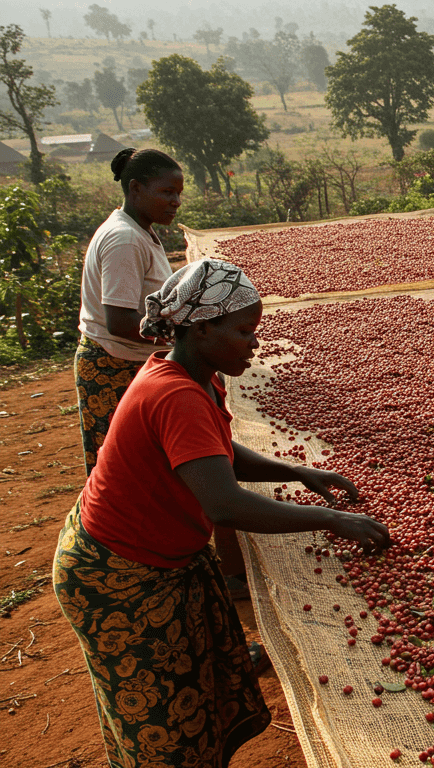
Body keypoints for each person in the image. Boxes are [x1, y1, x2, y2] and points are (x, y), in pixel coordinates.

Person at [52, 259, 392, 768]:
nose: (254, 344)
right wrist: (331, 519)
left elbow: (215, 452)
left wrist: (295, 472)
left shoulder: (190, 375)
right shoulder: (175, 394)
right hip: (119, 574)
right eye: (244, 331)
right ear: (203, 328)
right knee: (162, 725)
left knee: (194, 699)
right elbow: (224, 503)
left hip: (152, 558)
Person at [75, 148, 181, 474]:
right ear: (136, 188)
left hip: (131, 363)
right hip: (114, 368)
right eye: (167, 192)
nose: (176, 201)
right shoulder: (124, 240)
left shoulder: (139, 231)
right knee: (119, 472)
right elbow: (120, 321)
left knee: (143, 467)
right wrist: (184, 340)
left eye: (178, 193)